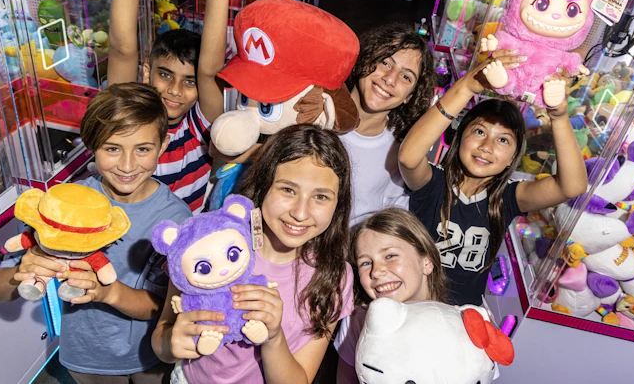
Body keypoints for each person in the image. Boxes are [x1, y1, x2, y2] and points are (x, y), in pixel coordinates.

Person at [0, 83, 193, 383]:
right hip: (86, 357)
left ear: (162, 145)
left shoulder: (176, 219)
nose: (127, 165)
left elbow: (163, 307)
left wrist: (109, 292)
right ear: (91, 144)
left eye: (142, 149)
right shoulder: (64, 204)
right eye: (112, 148)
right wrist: (23, 269)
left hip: (150, 355)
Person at [151, 124, 355, 384]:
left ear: (338, 205)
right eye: (288, 190)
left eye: (321, 197)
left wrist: (274, 337)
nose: (300, 213)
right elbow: (161, 340)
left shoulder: (335, 276)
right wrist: (171, 343)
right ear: (263, 186)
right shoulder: (208, 243)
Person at [398, 50, 588, 306]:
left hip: (461, 319)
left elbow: (572, 186)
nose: (487, 147)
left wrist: (559, 115)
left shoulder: (507, 198)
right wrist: (466, 87)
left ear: (512, 158)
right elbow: (408, 158)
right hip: (409, 307)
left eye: (503, 140)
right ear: (460, 137)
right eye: (479, 132)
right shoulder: (433, 183)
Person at [101, 0, 234, 213]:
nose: (175, 90)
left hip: (183, 239)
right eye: (165, 75)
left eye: (189, 81)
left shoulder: (198, 128)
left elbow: (209, 71)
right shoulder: (128, 116)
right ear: (147, 72)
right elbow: (122, 50)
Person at [334, 207, 448, 383]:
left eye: (390, 256)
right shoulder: (357, 322)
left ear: (426, 262)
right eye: (365, 263)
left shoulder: (456, 325)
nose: (376, 271)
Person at [342, 24, 435, 225]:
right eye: (385, 63)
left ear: (409, 96)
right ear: (365, 59)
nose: (390, 79)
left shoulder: (399, 154)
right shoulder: (315, 105)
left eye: (406, 77)